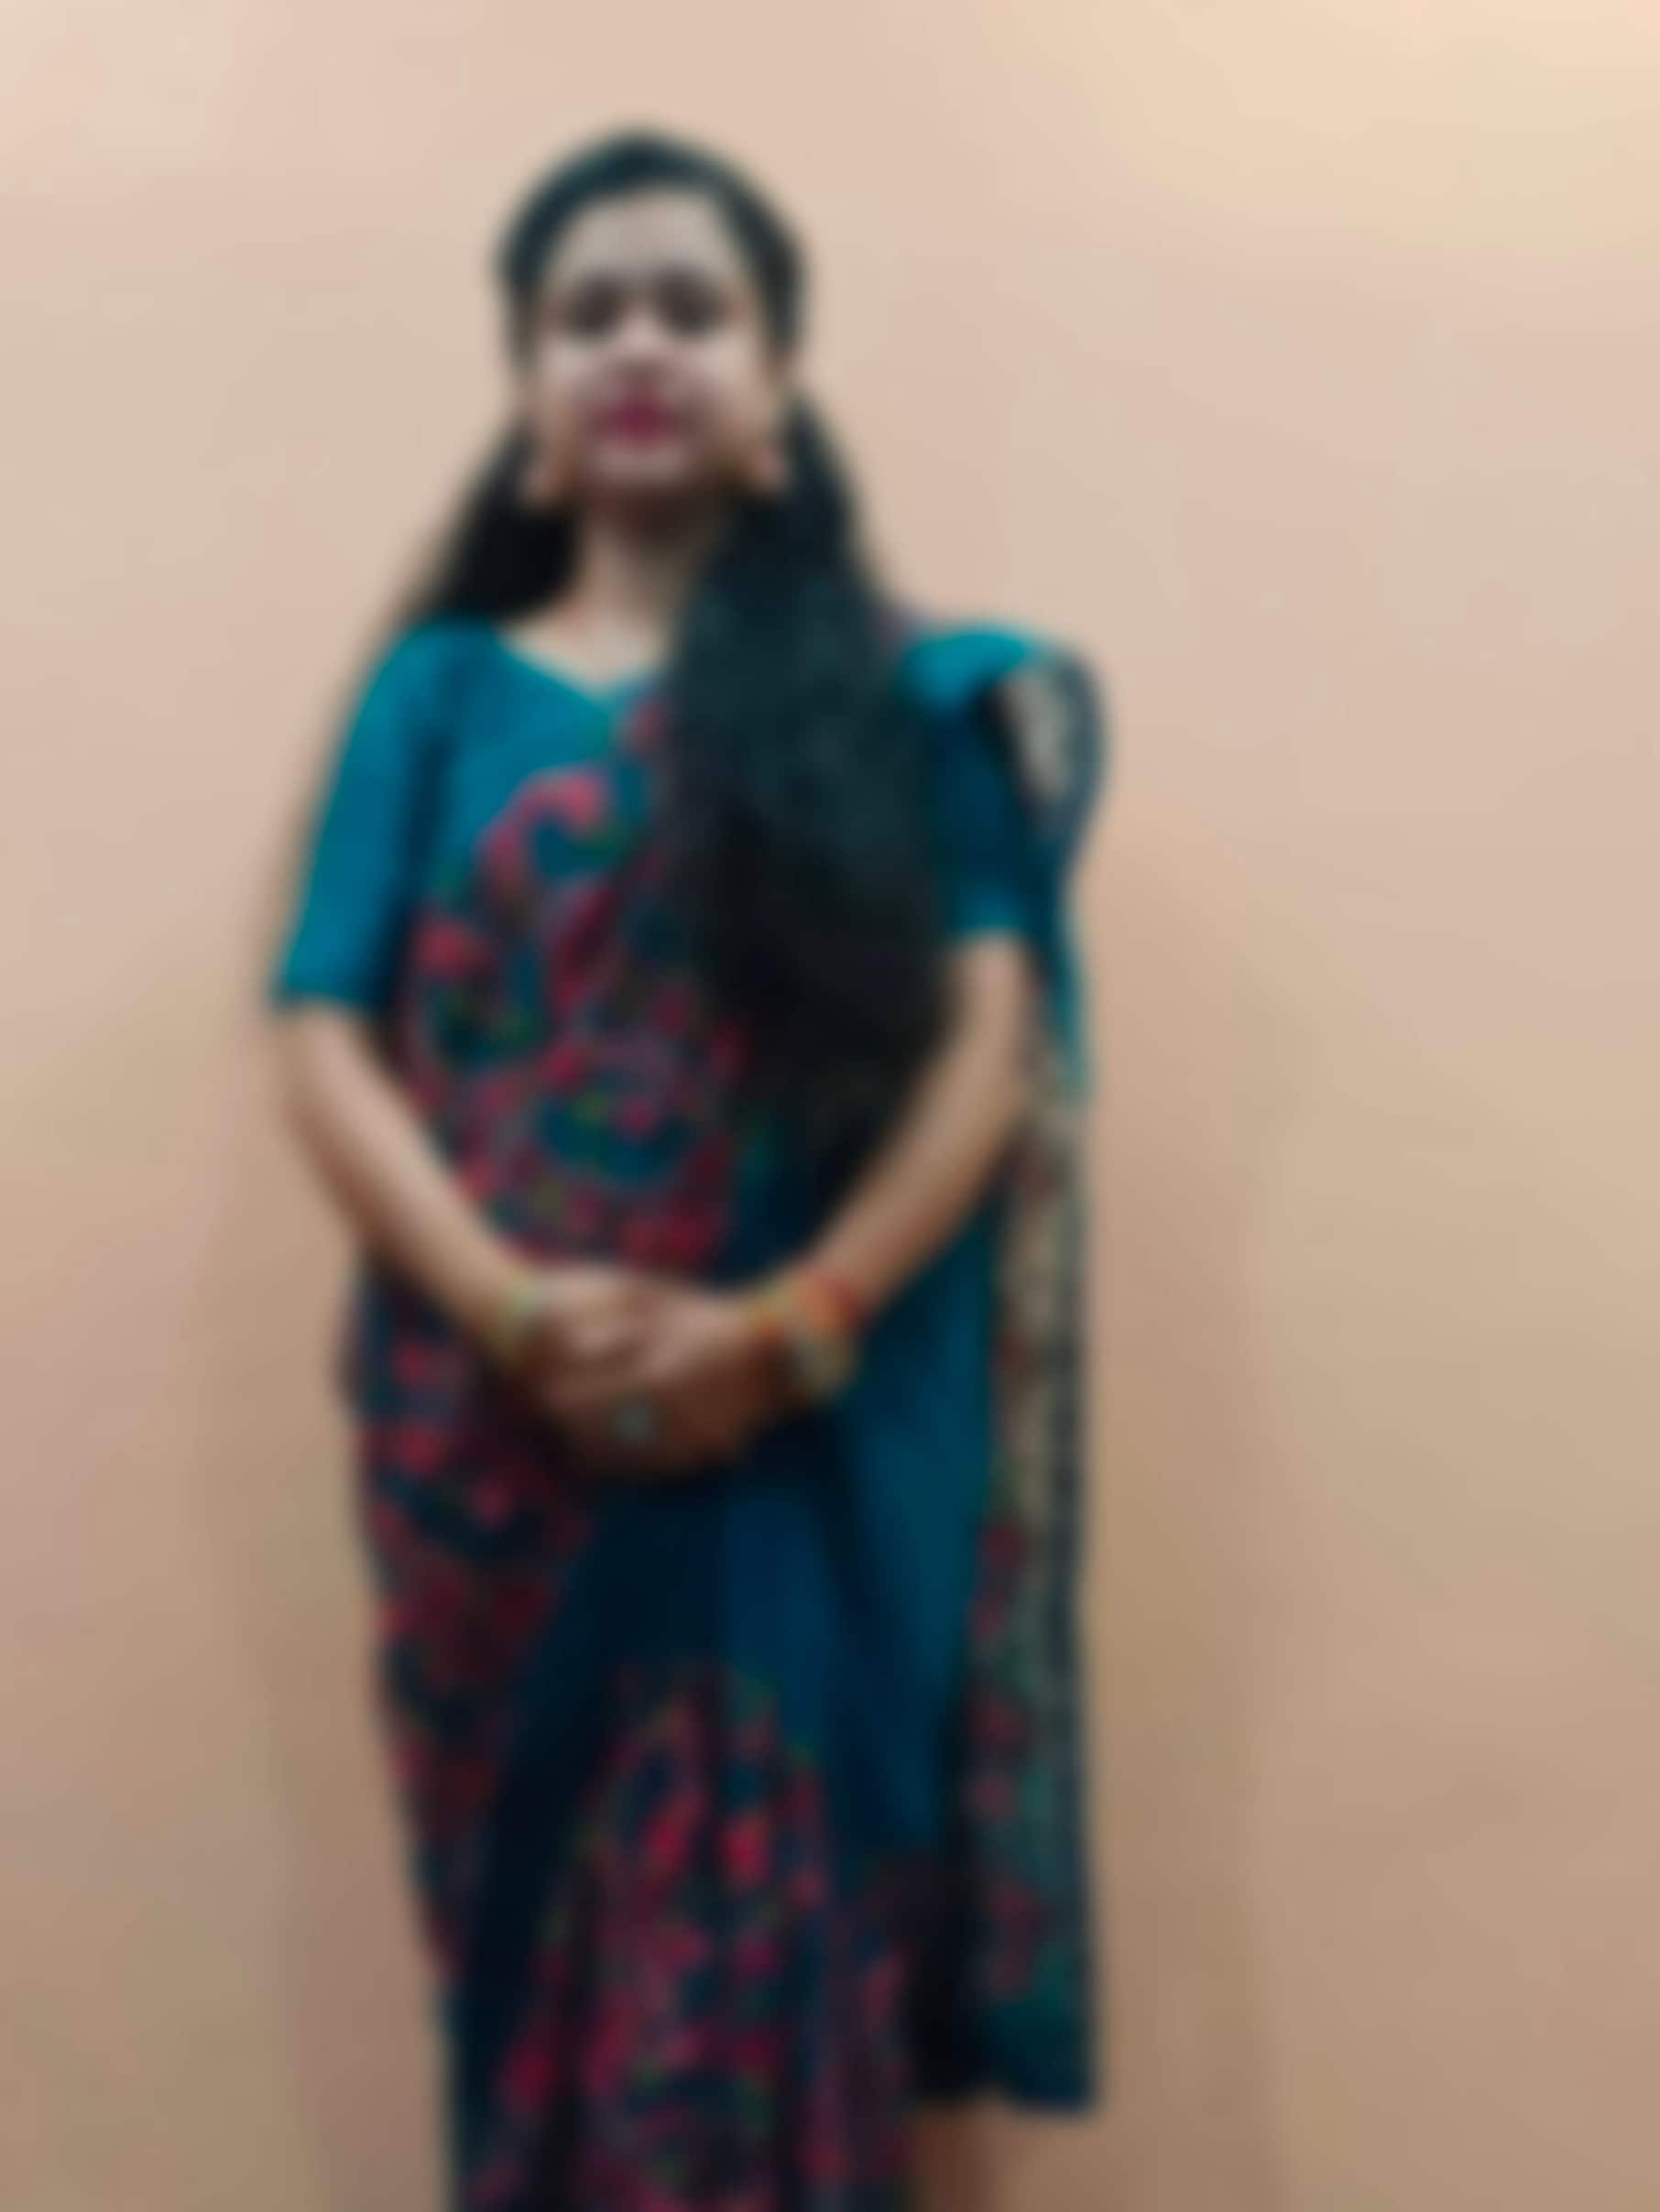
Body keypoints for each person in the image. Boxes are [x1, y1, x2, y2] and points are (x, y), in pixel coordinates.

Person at [266, 125, 1108, 2212]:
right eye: (587, 313)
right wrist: (513, 1310)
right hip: (493, 1446)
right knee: (527, 1970)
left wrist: (788, 1323)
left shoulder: (908, 703)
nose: (639, 342)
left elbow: (988, 1045)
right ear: (532, 397)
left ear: (774, 389)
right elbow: (320, 1030)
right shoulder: (438, 696)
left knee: (781, 1965)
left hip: (792, 1439)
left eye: (693, 307)